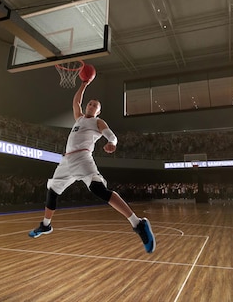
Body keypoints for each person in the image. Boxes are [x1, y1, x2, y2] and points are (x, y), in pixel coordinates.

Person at [28, 79, 155, 253]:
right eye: (90, 103)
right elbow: (76, 102)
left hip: (82, 158)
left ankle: (138, 223)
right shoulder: (79, 118)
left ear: (98, 111)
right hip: (66, 161)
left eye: (95, 105)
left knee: (99, 189)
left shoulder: (97, 122)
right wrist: (84, 84)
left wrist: (112, 143)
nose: (91, 105)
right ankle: (45, 225)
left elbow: (112, 135)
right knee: (52, 191)